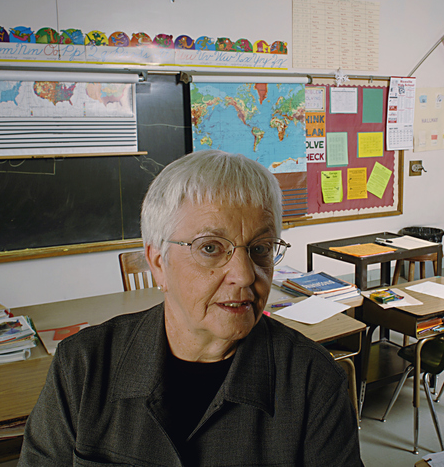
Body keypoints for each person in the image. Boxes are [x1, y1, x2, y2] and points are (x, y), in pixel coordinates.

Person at [18, 149, 363, 466]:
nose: (244, 275)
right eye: (211, 248)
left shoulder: (313, 382)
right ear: (158, 263)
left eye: (260, 248)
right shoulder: (82, 367)